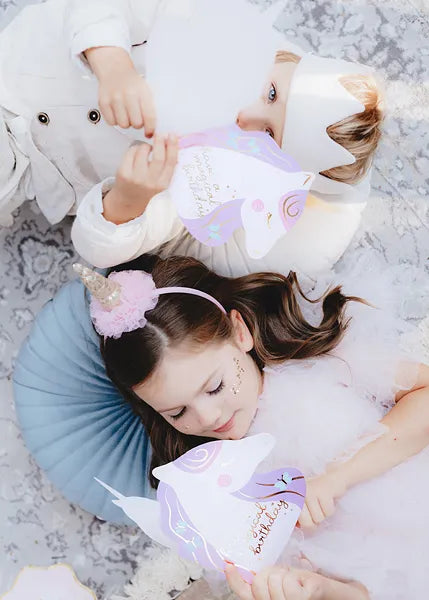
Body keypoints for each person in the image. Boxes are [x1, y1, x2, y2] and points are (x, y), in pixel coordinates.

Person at [74, 254, 429, 600]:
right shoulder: (210, 485)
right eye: (177, 413)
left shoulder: (323, 366)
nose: (208, 418)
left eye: (215, 386)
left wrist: (339, 476)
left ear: (240, 332)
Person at [0, 0, 382, 276]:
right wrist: (113, 63)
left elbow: (96, 249)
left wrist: (129, 201)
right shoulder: (204, 26)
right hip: (23, 63)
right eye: (270, 94)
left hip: (25, 167)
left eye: (268, 135)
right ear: (279, 58)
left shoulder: (203, 189)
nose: (245, 117)